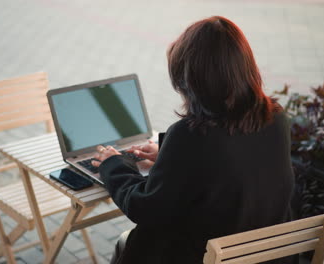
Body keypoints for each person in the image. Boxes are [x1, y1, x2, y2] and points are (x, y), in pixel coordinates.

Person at [91, 16, 295, 264]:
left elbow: (144, 208)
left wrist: (113, 164)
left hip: (202, 256)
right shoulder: (275, 118)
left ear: (191, 80)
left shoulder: (190, 136)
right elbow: (230, 161)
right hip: (259, 255)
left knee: (131, 241)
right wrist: (166, 154)